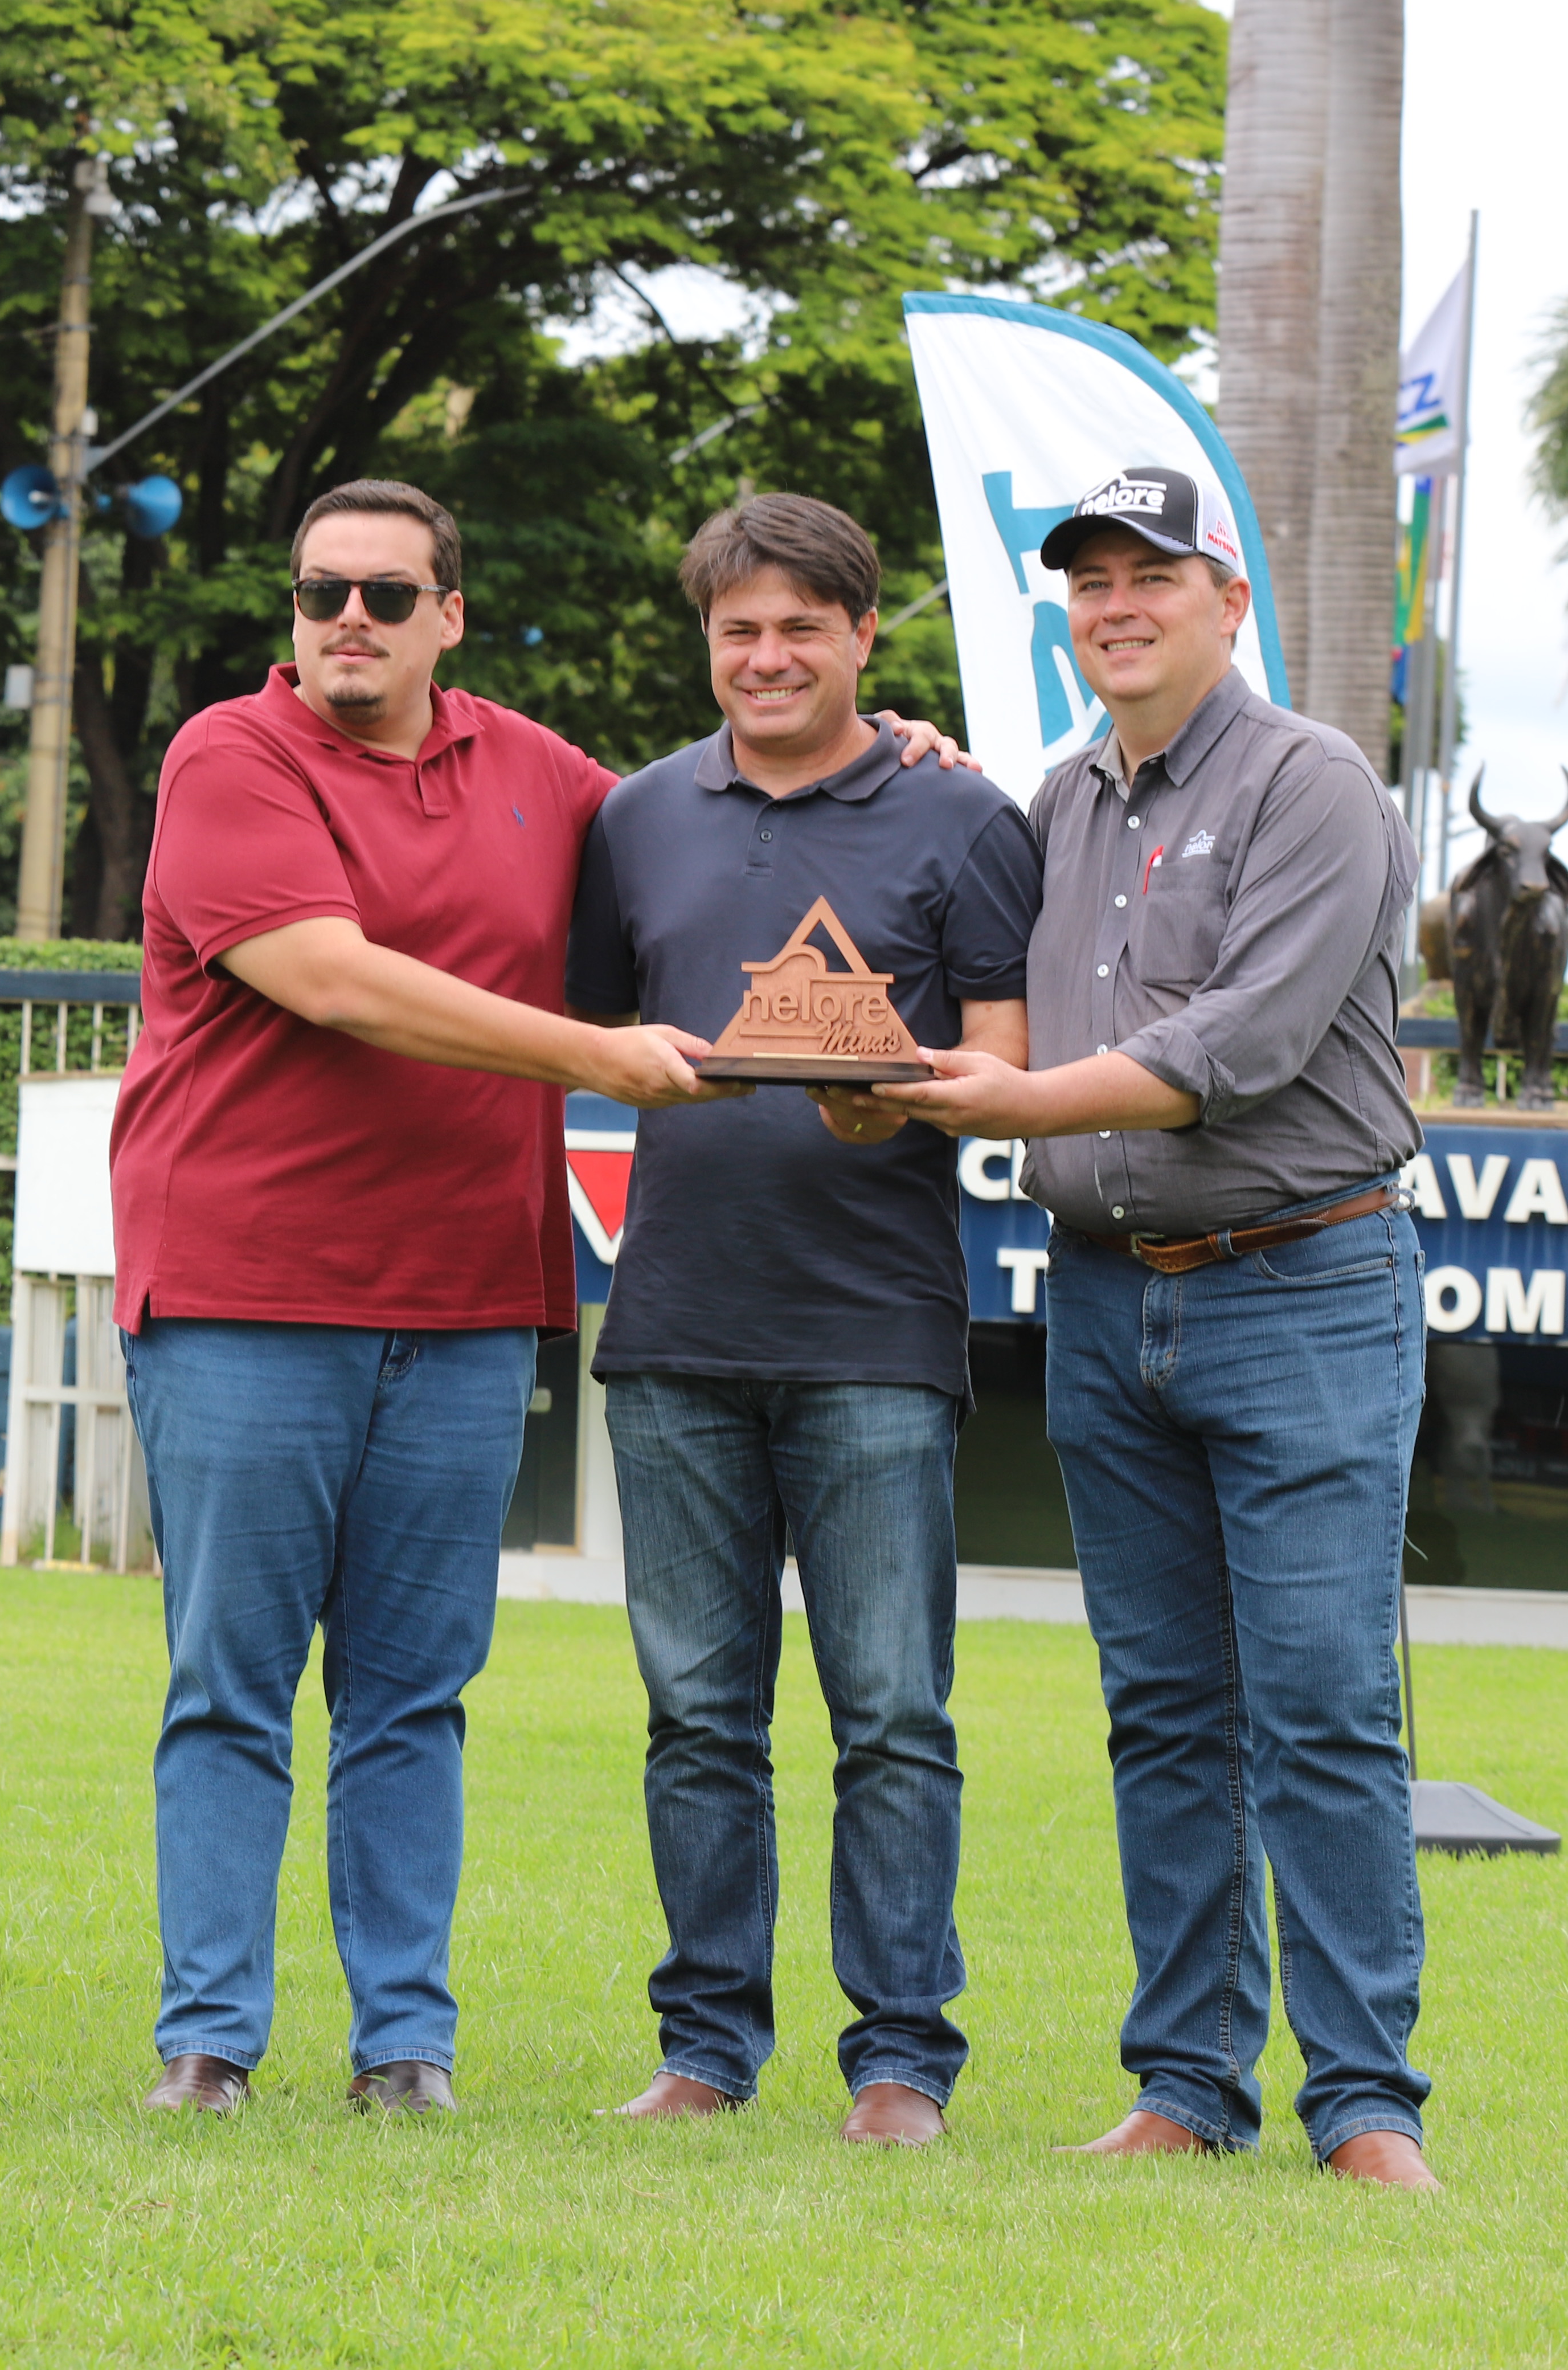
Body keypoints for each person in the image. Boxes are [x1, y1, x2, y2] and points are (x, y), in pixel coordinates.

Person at [109, 477, 960, 2116]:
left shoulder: (542, 776)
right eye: (320, 591)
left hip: (468, 1303)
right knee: (231, 1686)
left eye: (386, 594)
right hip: (244, 1290)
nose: (348, 620)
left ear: (450, 617)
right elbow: (334, 979)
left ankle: (403, 2050)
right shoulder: (231, 755)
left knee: (413, 1696)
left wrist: (886, 749)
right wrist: (593, 1054)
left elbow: (726, 808)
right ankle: (208, 2042)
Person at [882, 466, 1440, 2191]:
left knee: (1324, 1705)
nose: (1116, 606)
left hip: (1307, 1287)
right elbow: (968, 948)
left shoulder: (1314, 781)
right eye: (1090, 582)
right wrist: (917, 777)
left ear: (1228, 600)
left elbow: (1239, 1047)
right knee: (1166, 1713)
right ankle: (1188, 2085)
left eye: (1152, 576)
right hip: (1108, 1297)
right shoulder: (1055, 803)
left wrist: (1017, 1100)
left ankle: (1364, 2108)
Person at [567, 494, 1039, 2147]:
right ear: (708, 642)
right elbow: (590, 1038)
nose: (767, 658)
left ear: (862, 638)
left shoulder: (961, 816)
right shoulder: (635, 817)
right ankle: (704, 2049)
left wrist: (890, 1100)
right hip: (673, 1326)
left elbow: (1004, 1064)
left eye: (801, 629)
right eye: (739, 631)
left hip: (876, 1336)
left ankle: (901, 2063)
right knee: (697, 1717)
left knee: (893, 1716)